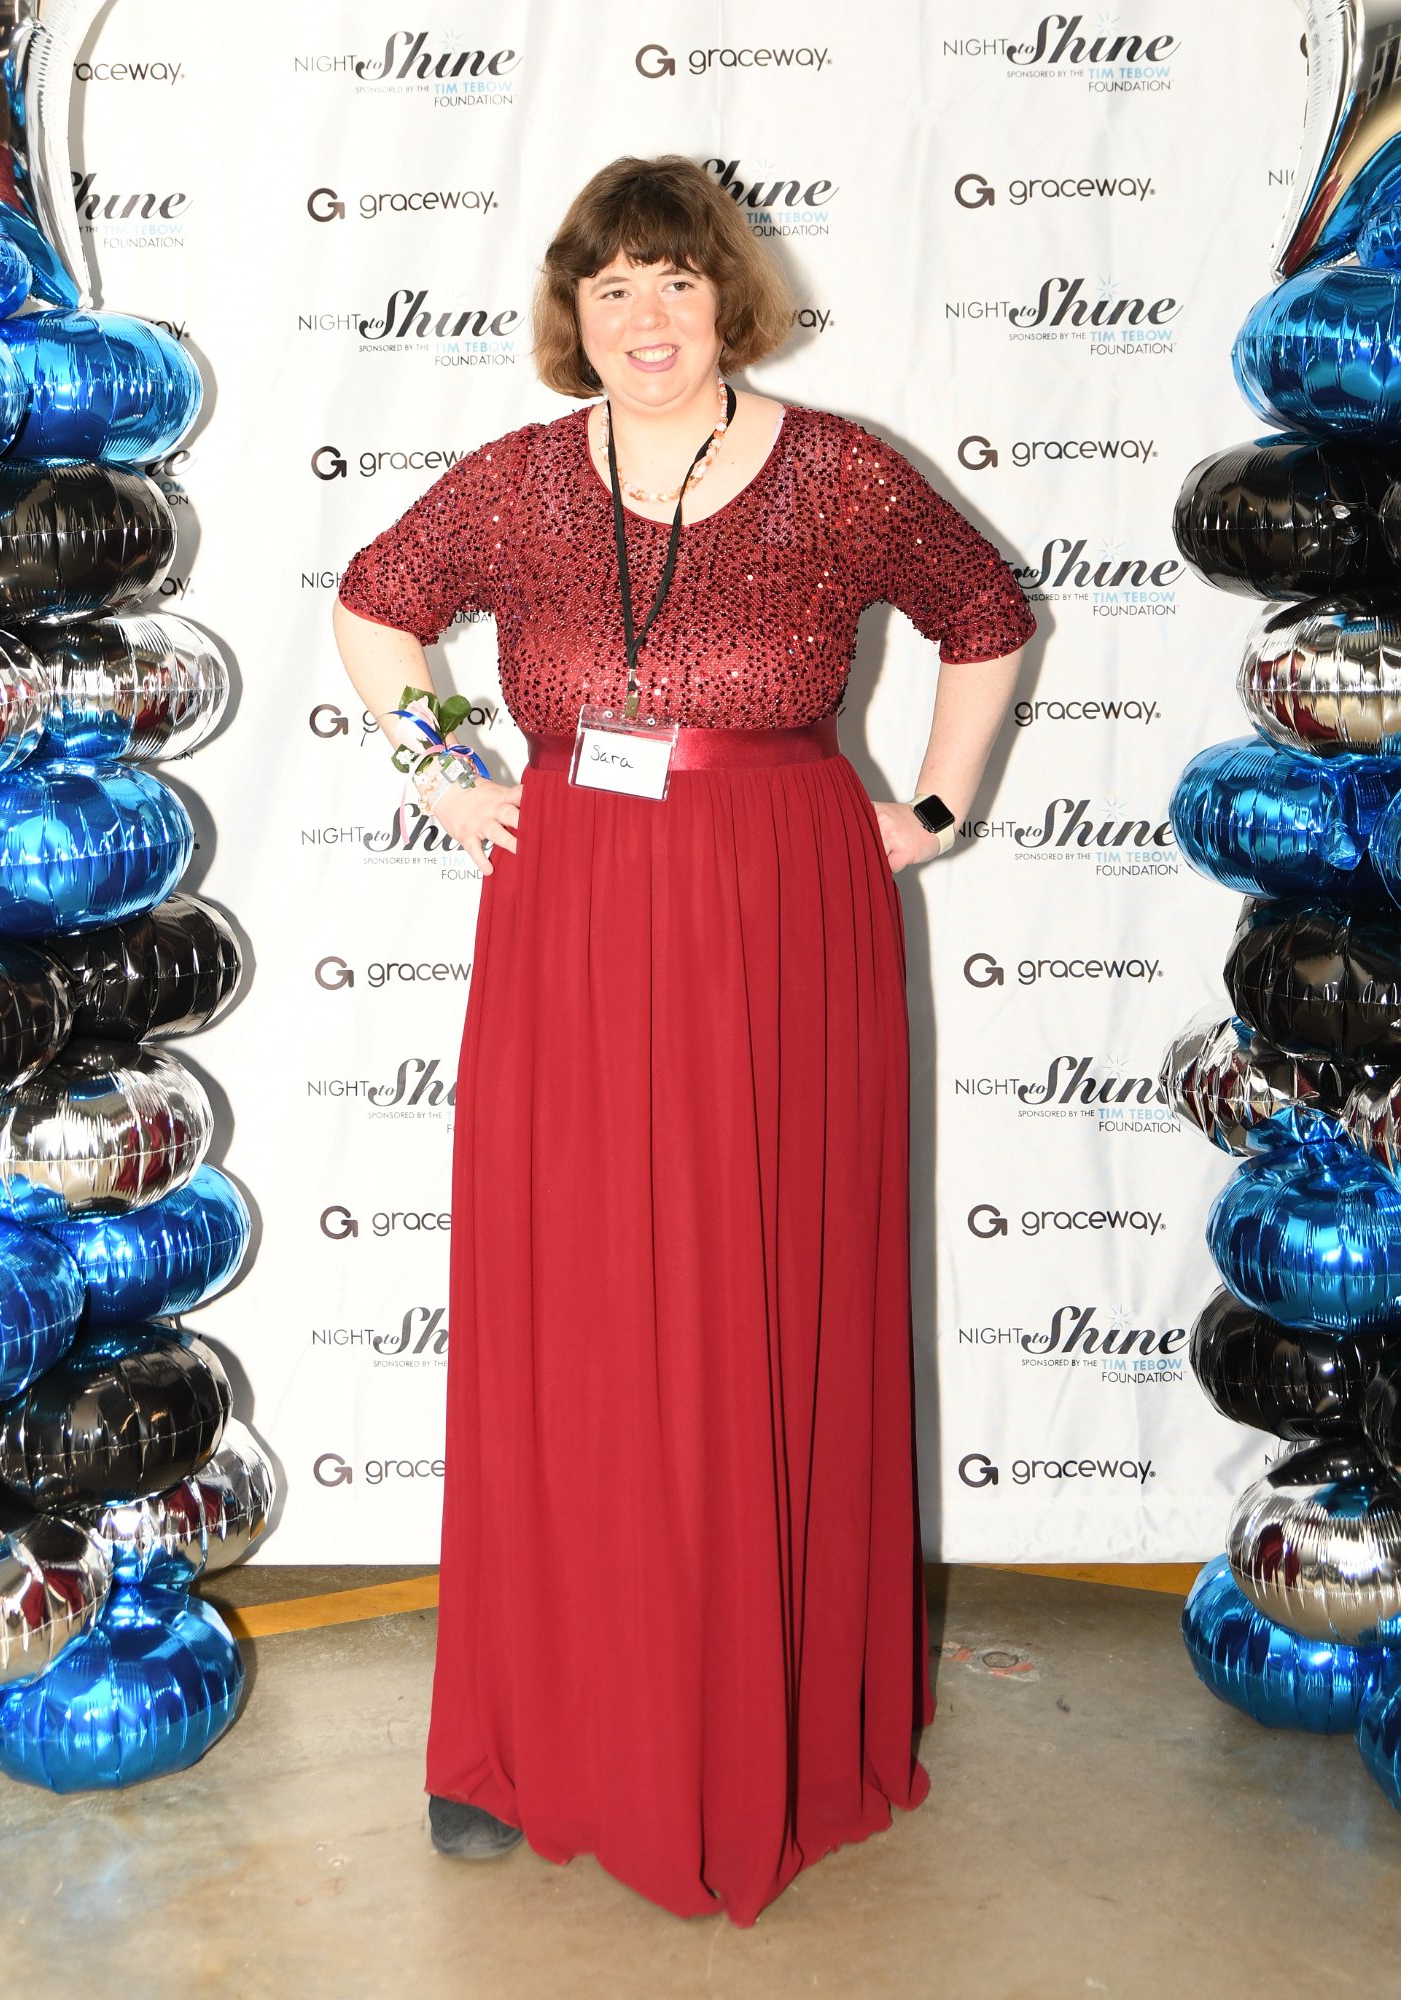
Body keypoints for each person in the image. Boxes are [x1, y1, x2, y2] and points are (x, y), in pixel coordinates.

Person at [331, 153, 1035, 1927]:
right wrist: (441, 771)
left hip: (780, 903)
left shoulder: (841, 471)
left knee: (760, 1287)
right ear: (572, 314)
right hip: (569, 897)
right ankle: (521, 1733)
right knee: (565, 1304)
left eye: (675, 280)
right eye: (611, 287)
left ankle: (765, 1729)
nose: (645, 317)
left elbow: (984, 616)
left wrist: (931, 808)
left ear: (729, 298)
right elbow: (373, 602)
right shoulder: (514, 480)